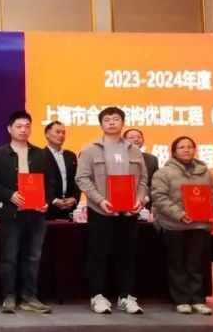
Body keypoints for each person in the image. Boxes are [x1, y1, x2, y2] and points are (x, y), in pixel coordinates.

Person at [75, 106, 148, 315]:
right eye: (107, 120)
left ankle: (125, 297)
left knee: (127, 256)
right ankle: (97, 296)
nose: (112, 123)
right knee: (98, 255)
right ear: (101, 124)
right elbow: (82, 178)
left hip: (128, 212)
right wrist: (100, 200)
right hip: (101, 211)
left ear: (122, 123)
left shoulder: (134, 150)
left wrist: (140, 199)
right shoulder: (90, 150)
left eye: (116, 119)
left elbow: (143, 179)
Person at [0, 111, 55, 314]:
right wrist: (10, 195)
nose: (23, 130)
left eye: (27, 126)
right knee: (10, 256)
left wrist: (46, 202)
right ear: (9, 129)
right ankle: (9, 295)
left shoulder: (41, 154)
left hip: (36, 214)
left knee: (33, 257)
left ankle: (29, 296)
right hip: (11, 214)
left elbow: (50, 183)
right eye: (19, 126)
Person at [150, 136, 213, 315]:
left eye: (189, 147)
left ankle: (198, 299)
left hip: (200, 225)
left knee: (196, 264)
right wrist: (180, 215)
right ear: (173, 151)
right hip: (174, 225)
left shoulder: (205, 172)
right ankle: (181, 300)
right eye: (181, 147)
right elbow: (159, 197)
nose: (186, 150)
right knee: (177, 264)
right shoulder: (163, 173)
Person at [43, 121, 79, 220]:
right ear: (47, 134)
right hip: (48, 209)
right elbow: (39, 183)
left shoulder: (71, 156)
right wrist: (53, 200)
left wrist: (75, 198)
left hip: (69, 208)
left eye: (63, 132)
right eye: (57, 132)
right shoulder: (39, 156)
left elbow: (77, 179)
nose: (61, 135)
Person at [123, 128, 159, 209]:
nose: (136, 139)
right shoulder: (118, 158)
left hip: (145, 203)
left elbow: (155, 183)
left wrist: (144, 198)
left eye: (139, 137)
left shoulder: (152, 159)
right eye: (131, 137)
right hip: (121, 200)